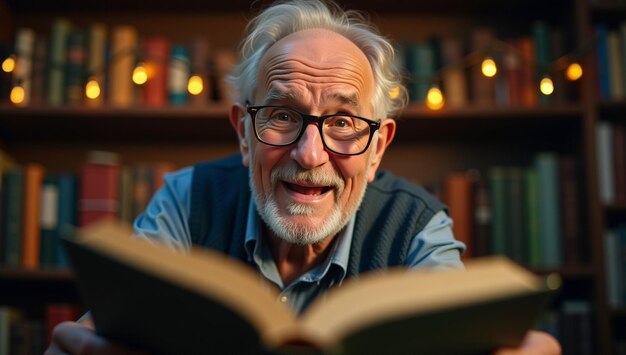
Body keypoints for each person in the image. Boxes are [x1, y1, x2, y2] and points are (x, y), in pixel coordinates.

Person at [45, 1, 561, 354]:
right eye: (282, 116)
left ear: (378, 146)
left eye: (343, 123)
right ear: (244, 135)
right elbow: (102, 330)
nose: (310, 153)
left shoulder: (418, 226)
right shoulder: (186, 200)